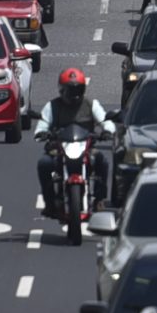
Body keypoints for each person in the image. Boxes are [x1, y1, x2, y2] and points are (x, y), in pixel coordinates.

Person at [31, 67, 114, 211]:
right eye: (71, 90)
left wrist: (107, 131)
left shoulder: (90, 104)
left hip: (86, 148)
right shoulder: (52, 106)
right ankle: (50, 201)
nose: (75, 95)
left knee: (103, 162)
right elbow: (43, 124)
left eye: (78, 90)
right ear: (62, 90)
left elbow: (105, 120)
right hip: (59, 149)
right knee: (44, 164)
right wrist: (42, 133)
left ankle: (99, 199)